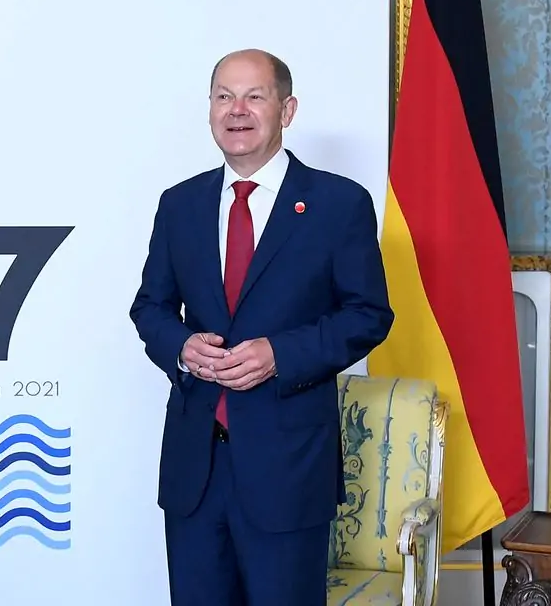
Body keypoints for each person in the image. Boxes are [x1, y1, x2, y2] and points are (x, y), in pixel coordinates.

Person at [129, 48, 394, 606]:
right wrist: (182, 346)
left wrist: (282, 354)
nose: (237, 110)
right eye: (224, 96)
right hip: (195, 472)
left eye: (255, 96)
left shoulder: (337, 203)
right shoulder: (179, 204)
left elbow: (368, 314)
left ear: (287, 110)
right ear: (209, 109)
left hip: (288, 471)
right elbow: (150, 307)